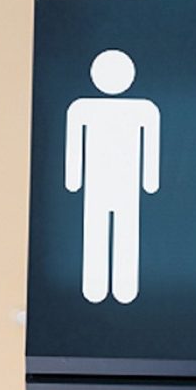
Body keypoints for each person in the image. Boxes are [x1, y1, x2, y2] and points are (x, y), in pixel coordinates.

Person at [65, 49, 160, 304]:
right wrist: (73, 179)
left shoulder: (145, 110)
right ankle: (94, 287)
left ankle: (124, 287)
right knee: (96, 229)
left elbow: (150, 146)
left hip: (126, 184)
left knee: (125, 231)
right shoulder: (81, 108)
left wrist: (150, 180)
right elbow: (75, 145)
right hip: (98, 183)